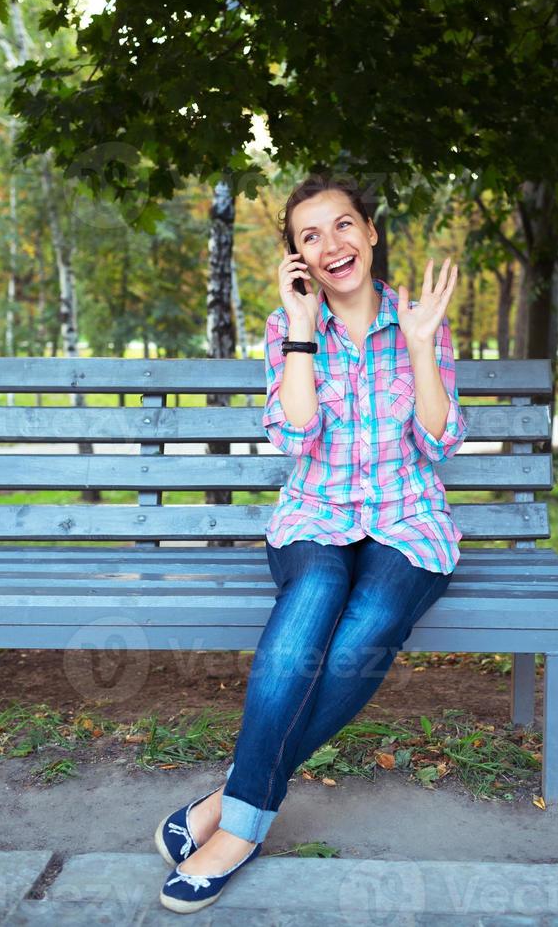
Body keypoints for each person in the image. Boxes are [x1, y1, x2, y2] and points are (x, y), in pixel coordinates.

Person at [157, 173, 470, 914]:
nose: (331, 244)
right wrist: (300, 328)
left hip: (408, 522)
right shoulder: (288, 326)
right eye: (310, 235)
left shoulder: (419, 318)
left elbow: (440, 445)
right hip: (316, 518)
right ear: (298, 256)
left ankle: (232, 815)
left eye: (343, 226)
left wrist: (422, 348)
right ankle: (244, 814)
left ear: (369, 232)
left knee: (369, 627)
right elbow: (296, 436)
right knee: (317, 598)